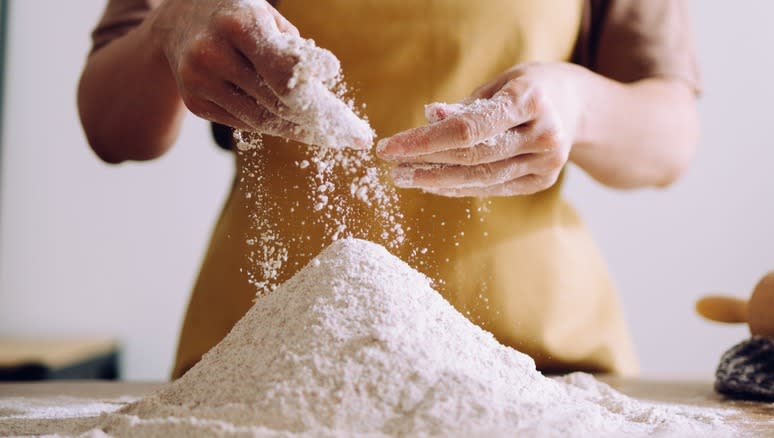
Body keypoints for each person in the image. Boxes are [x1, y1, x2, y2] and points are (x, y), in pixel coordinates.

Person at [78, 0, 699, 379]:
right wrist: (173, 26)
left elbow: (670, 135)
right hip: (264, 364)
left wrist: (576, 105)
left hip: (536, 365)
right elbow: (111, 128)